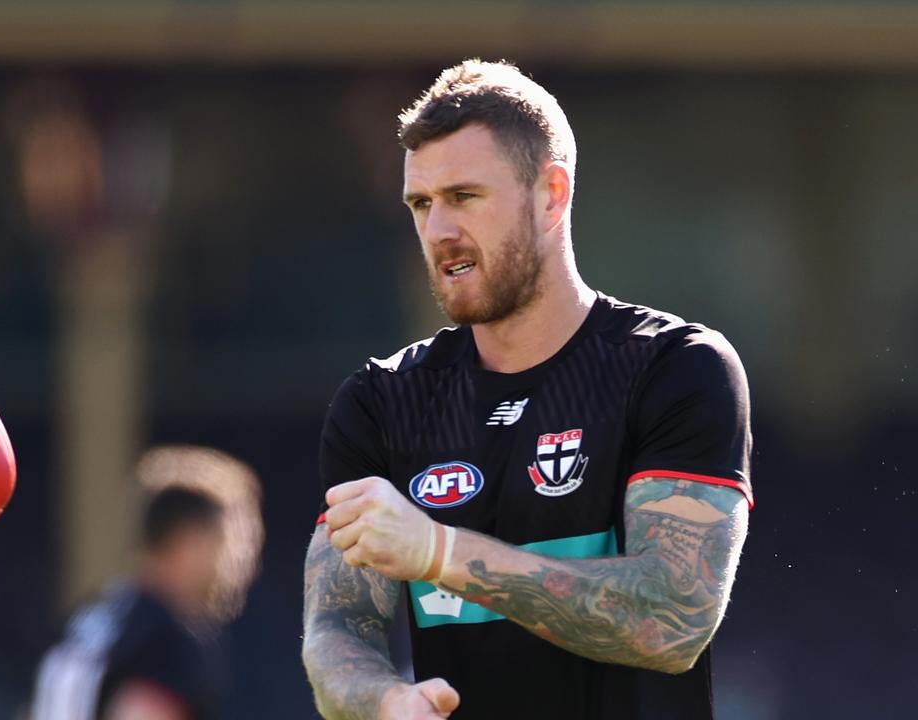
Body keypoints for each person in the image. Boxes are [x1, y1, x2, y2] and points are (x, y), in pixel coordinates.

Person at [302, 60, 752, 720]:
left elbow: (675, 618)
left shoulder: (676, 368)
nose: (438, 231)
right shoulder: (380, 403)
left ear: (551, 194)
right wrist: (384, 701)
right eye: (421, 204)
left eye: (464, 197)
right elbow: (337, 629)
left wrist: (439, 552)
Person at [32, 445, 259, 720]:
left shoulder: (87, 617)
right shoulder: (168, 639)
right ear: (189, 543)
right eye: (230, 542)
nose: (243, 562)